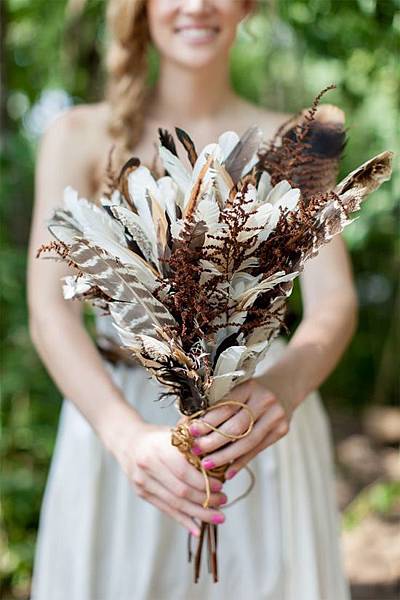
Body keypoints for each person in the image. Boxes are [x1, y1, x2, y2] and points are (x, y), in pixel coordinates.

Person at [27, 1, 357, 599]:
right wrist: (125, 438)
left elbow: (334, 303)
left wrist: (282, 391)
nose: (197, 5)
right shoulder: (75, 136)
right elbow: (50, 310)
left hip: (256, 426)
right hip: (117, 429)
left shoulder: (303, 141)